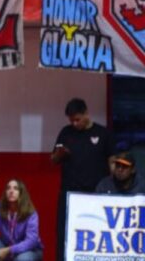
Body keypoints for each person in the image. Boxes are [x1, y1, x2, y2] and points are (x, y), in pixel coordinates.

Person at [51, 97, 114, 261]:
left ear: (86, 113)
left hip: (96, 193)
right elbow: (54, 160)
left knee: (95, 232)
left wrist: (113, 187)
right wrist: (60, 154)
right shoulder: (66, 132)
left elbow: (112, 161)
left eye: (77, 119)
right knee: (65, 232)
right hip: (70, 193)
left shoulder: (103, 133)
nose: (74, 124)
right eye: (71, 120)